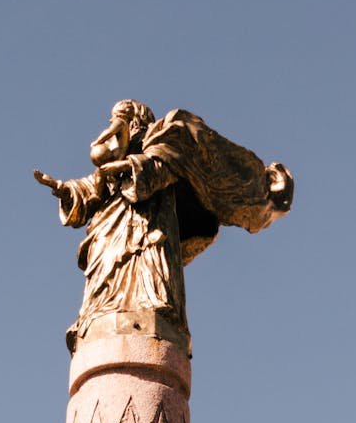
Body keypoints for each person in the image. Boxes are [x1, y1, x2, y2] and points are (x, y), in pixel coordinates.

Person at [35, 99, 293, 352]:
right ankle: (103, 314)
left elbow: (166, 167)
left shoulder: (159, 141)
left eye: (123, 117)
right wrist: (65, 189)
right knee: (105, 280)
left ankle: (147, 319)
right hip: (110, 228)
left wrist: (134, 166)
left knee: (146, 283)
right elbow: (93, 186)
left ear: (136, 120)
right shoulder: (119, 148)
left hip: (148, 228)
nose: (116, 123)